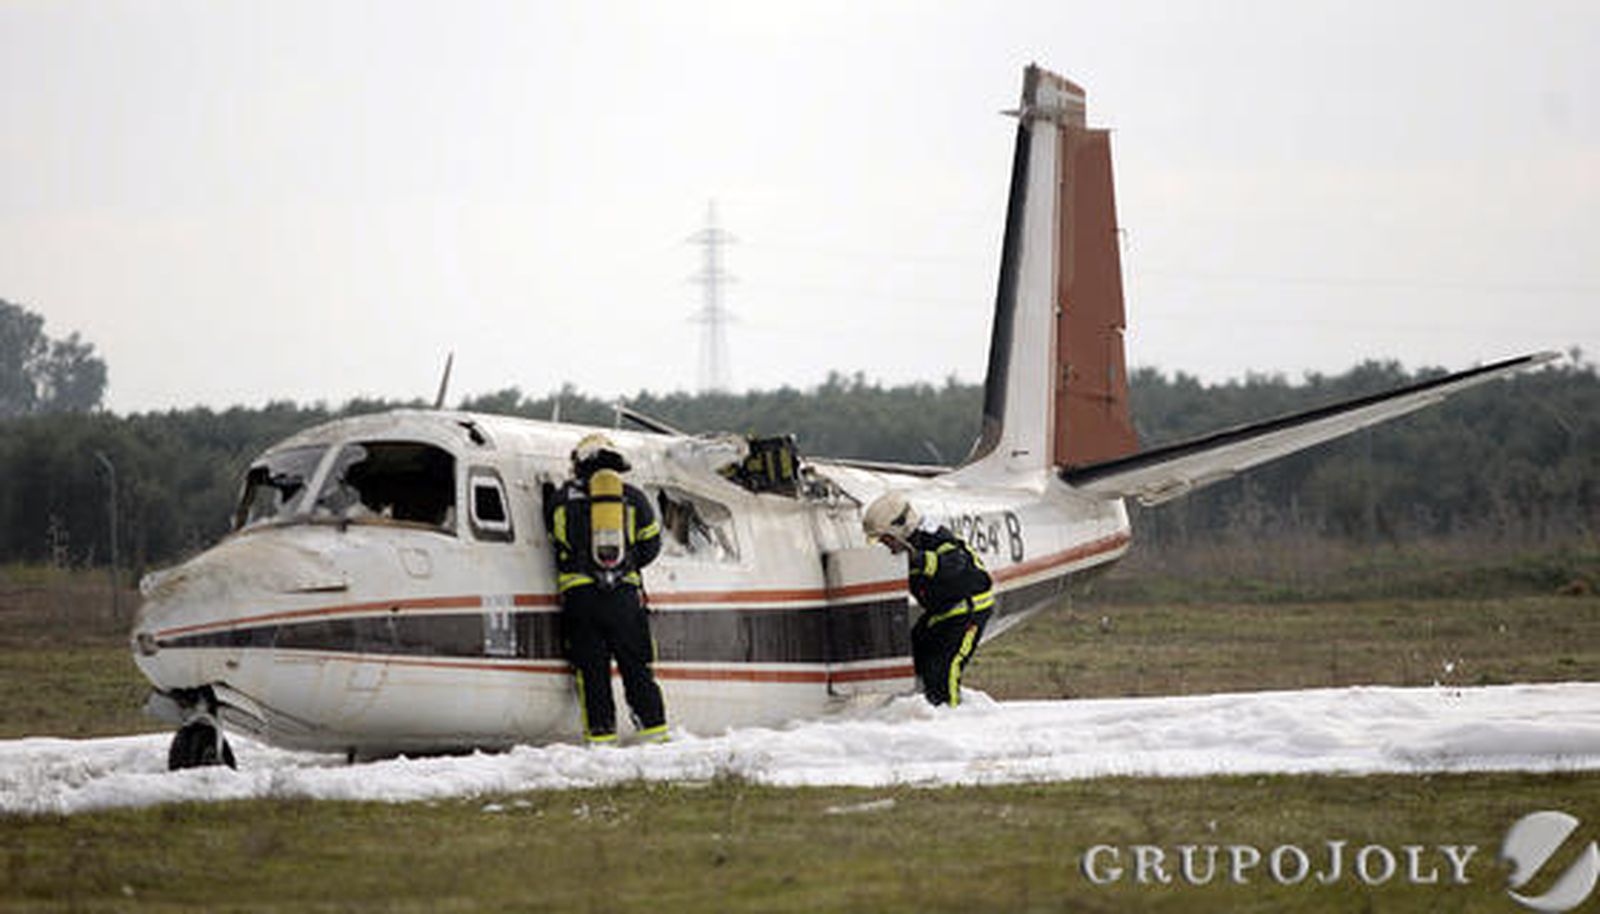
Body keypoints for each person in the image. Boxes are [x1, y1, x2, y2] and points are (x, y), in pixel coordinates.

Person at [542, 433, 667, 744]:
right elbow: (651, 545)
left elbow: (557, 540)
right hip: (624, 598)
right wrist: (626, 565)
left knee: (592, 672)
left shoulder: (560, 499)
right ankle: (654, 734)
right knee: (637, 667)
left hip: (581, 598)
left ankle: (601, 741)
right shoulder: (633, 498)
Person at [863, 491, 995, 707]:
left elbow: (955, 564)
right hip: (939, 611)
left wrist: (917, 558)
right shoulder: (899, 548)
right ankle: (916, 711)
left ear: (900, 527)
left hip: (967, 610)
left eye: (885, 538)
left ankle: (949, 716)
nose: (883, 544)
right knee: (911, 658)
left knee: (943, 670)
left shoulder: (935, 538)